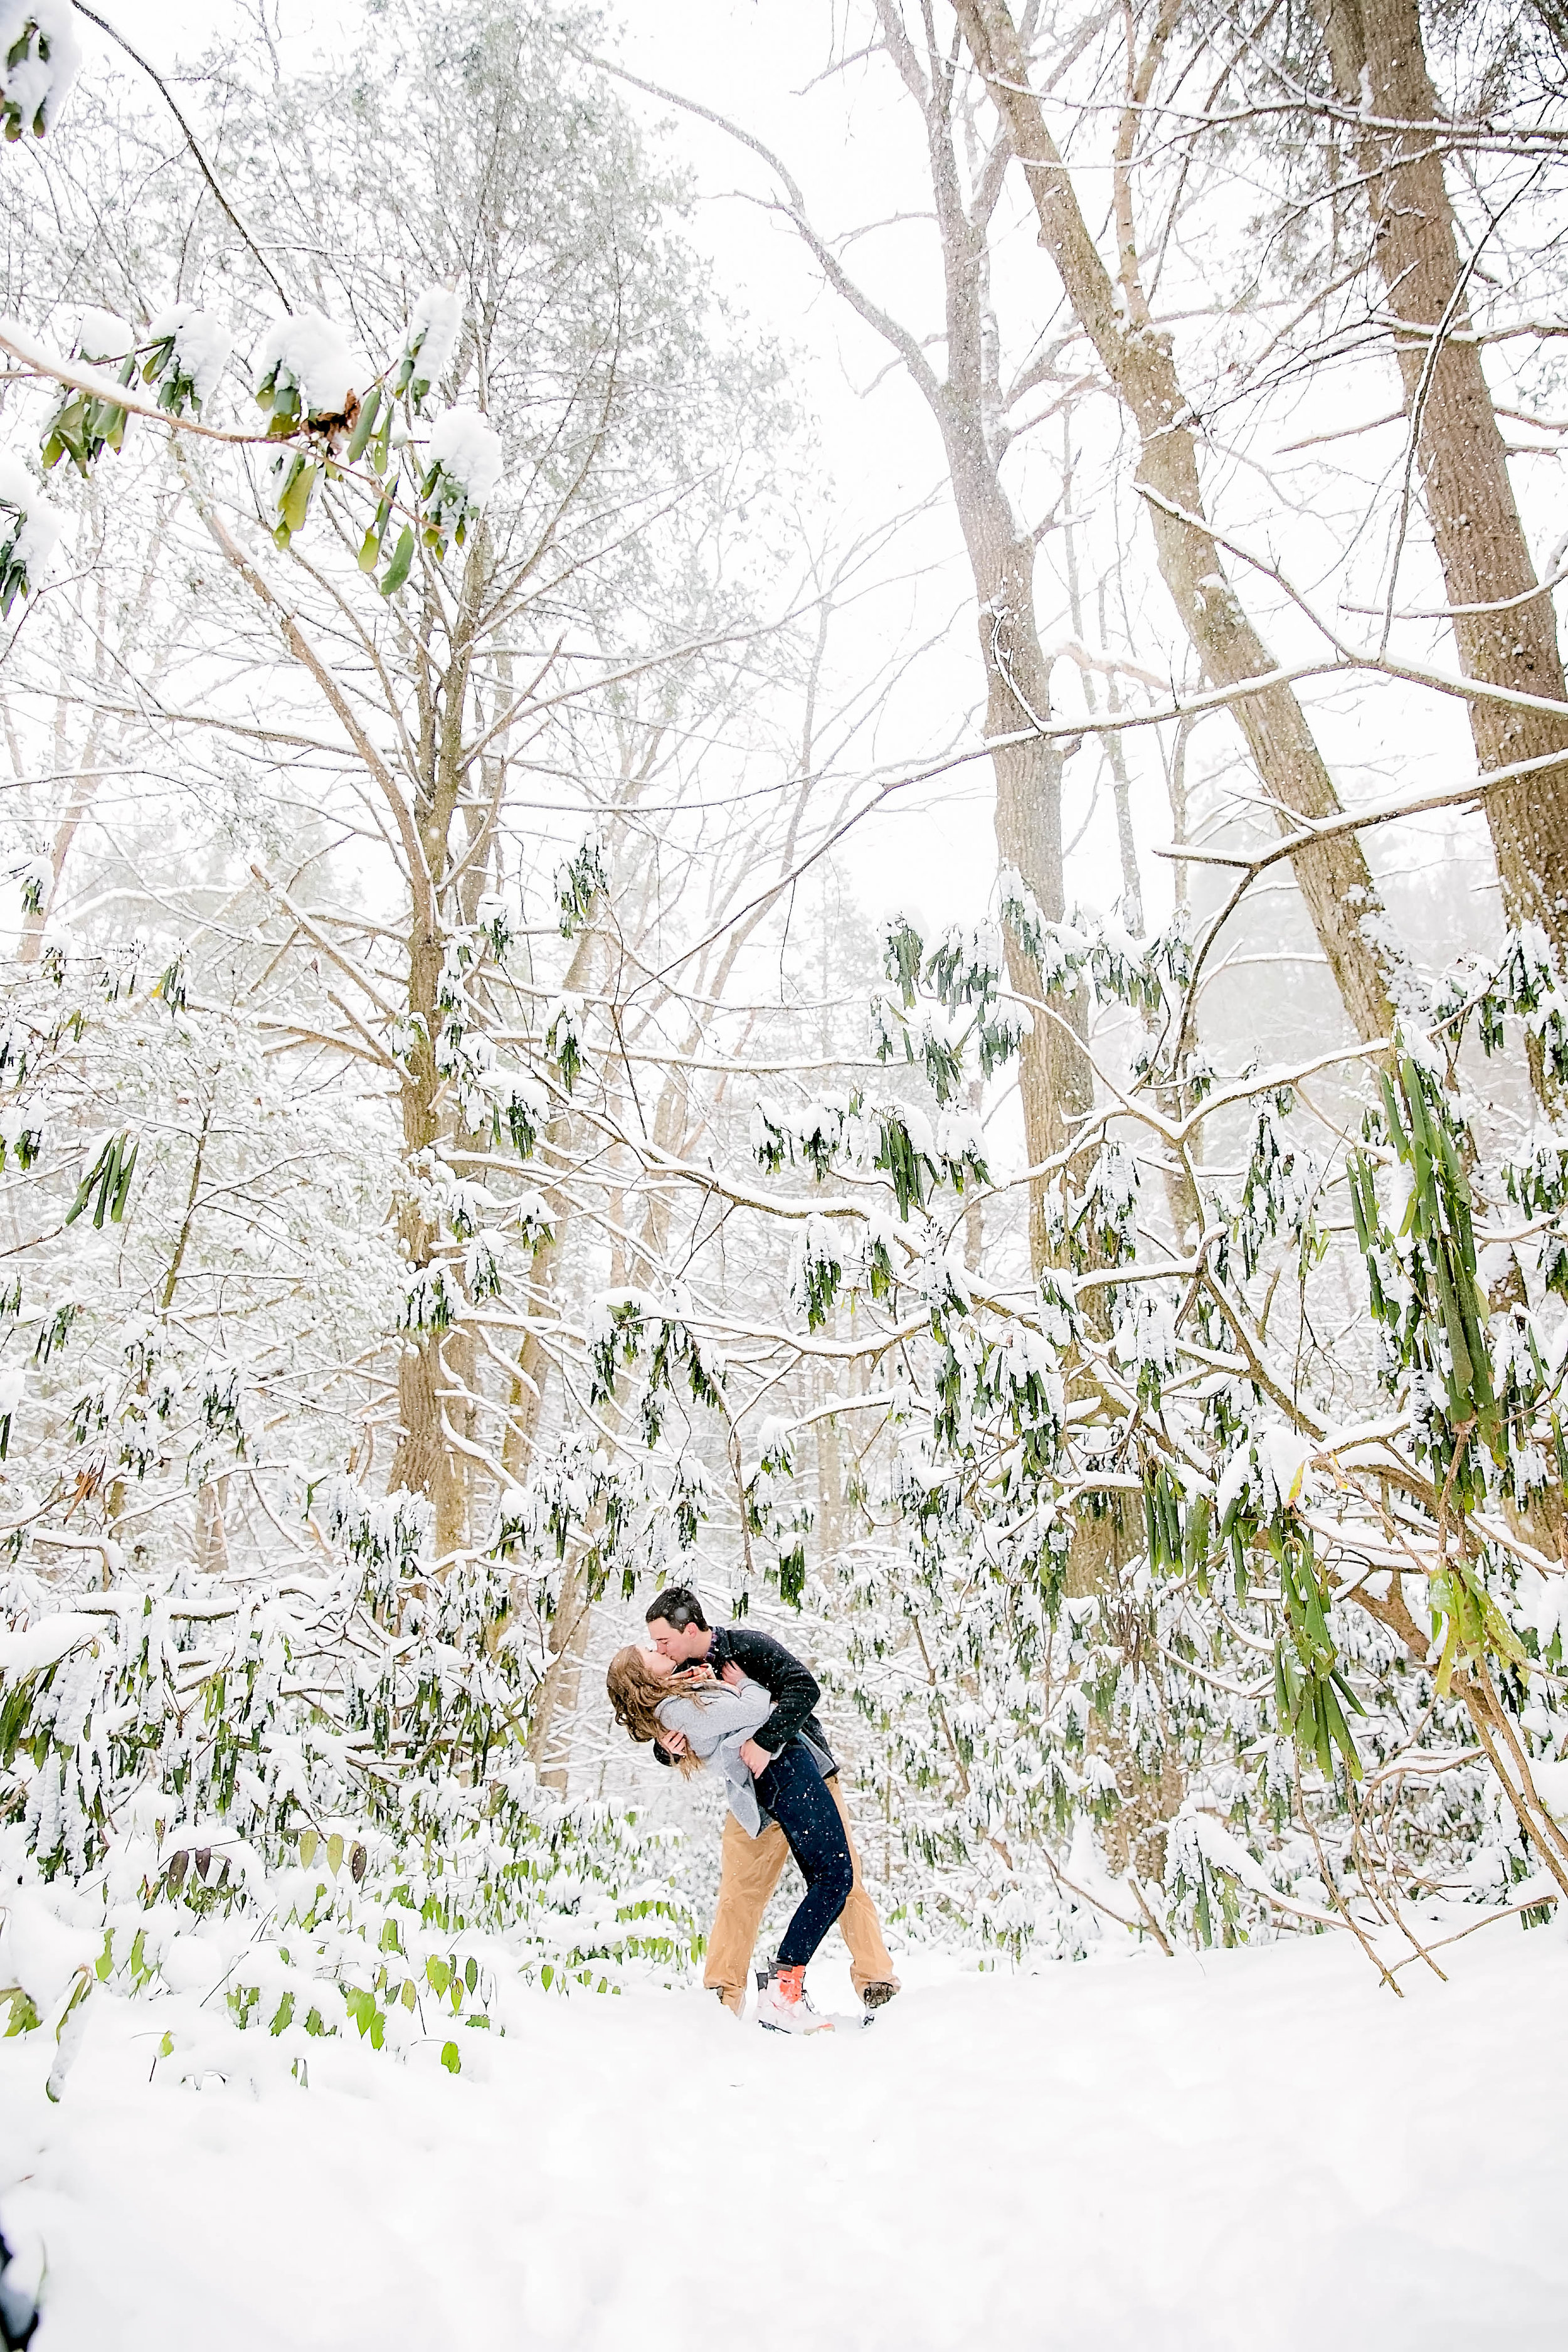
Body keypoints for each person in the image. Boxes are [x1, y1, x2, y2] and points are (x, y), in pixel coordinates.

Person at [642, 1584, 900, 2019]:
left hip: (809, 1779)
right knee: (739, 1892)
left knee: (843, 1879)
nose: (658, 1648)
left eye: (663, 1640)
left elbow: (804, 1687)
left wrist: (766, 1740)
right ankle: (721, 1998)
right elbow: (675, 1734)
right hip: (752, 1798)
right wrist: (668, 1749)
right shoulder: (678, 1674)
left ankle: (876, 1982)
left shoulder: (748, 1647)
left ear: (689, 1629)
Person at [607, 1644, 851, 2033]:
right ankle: (781, 1997)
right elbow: (755, 1710)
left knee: (829, 1880)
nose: (658, 1649)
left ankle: (784, 1994)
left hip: (783, 1769)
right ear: (642, 1674)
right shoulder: (674, 1710)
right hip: (783, 1769)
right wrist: (744, 1683)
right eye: (650, 1650)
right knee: (835, 1879)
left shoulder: (677, 1699)